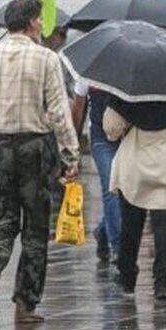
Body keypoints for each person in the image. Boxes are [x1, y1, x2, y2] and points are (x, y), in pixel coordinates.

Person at [0, 0, 80, 324]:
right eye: (40, 19)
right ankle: (25, 305)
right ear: (30, 22)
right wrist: (71, 154)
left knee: (3, 220)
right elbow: (58, 112)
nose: (43, 25)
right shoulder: (46, 59)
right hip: (34, 149)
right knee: (36, 229)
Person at [105, 98, 166, 301]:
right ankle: (162, 283)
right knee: (164, 224)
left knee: (131, 224)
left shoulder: (127, 94)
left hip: (136, 164)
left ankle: (127, 276)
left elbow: (111, 129)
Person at [72, 84, 120, 264]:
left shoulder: (133, 67)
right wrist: (73, 143)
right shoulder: (90, 70)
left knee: (128, 192)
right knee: (111, 188)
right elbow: (78, 105)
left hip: (128, 136)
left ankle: (103, 231)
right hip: (101, 136)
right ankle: (118, 247)